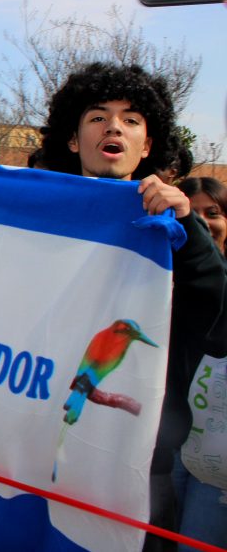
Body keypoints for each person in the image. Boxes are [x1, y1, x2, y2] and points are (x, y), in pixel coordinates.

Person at [39, 63, 227, 550]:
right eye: (98, 117)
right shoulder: (39, 222)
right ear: (73, 140)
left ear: (146, 146)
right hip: (40, 449)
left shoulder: (176, 229)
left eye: (131, 119)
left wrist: (188, 234)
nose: (114, 127)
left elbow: (217, 315)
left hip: (141, 468)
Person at [174, 177, 227, 552]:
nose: (202, 221)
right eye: (190, 213)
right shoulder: (155, 274)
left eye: (213, 212)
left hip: (216, 461)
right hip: (165, 445)